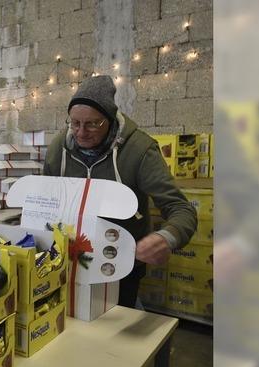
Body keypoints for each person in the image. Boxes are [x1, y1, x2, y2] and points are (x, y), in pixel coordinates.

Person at [44, 75, 197, 309]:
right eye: (75, 123)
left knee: (113, 332)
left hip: (120, 264)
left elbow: (180, 208)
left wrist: (166, 238)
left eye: (92, 124)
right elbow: (47, 202)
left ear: (109, 119)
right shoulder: (58, 150)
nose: (81, 132)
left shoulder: (140, 150)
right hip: (70, 261)